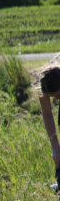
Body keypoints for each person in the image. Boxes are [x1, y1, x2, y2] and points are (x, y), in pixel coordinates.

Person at [37, 62, 60, 191]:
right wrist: (55, 147)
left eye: (58, 94)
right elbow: (47, 113)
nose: (56, 99)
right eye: (53, 96)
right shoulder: (43, 83)